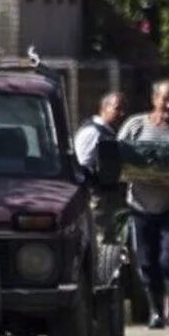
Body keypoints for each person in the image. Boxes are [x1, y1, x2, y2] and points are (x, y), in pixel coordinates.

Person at [117, 79, 169, 329]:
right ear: (154, 99)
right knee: (145, 261)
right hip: (140, 206)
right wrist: (126, 173)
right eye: (165, 99)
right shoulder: (134, 125)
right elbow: (114, 156)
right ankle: (155, 312)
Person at [73, 91, 128, 243]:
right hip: (97, 198)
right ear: (104, 108)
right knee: (101, 239)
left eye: (123, 109)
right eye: (117, 108)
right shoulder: (92, 132)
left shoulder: (108, 133)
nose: (121, 113)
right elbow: (81, 165)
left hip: (107, 197)